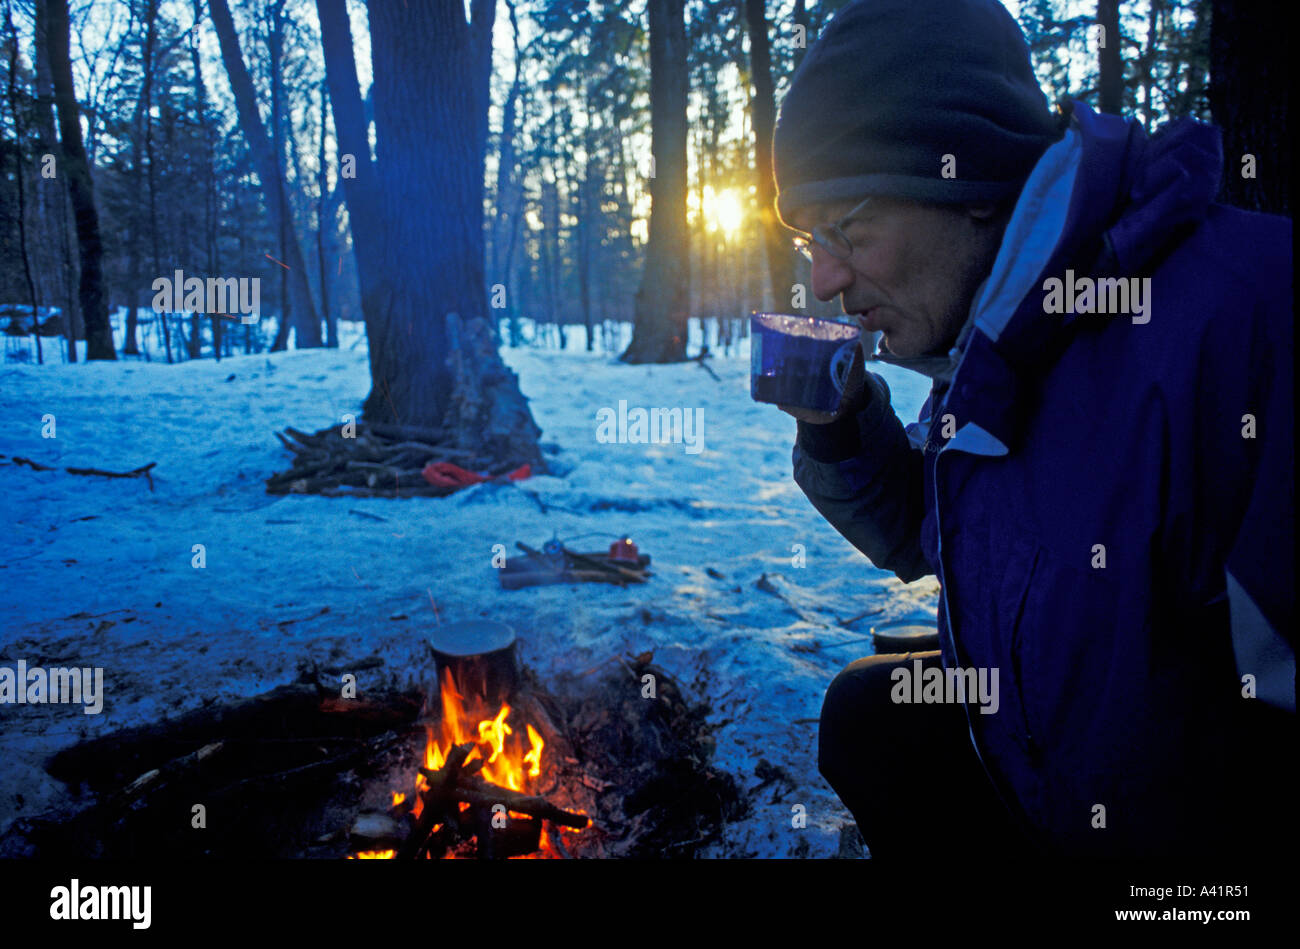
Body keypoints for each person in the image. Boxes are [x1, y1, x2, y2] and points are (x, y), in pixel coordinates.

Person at [770, 0, 1294, 858]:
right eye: (807, 241)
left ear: (965, 182)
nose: (824, 279)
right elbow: (937, 535)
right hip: (1041, 776)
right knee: (870, 718)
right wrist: (836, 427)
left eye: (848, 227)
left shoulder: (1251, 323)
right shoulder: (994, 341)